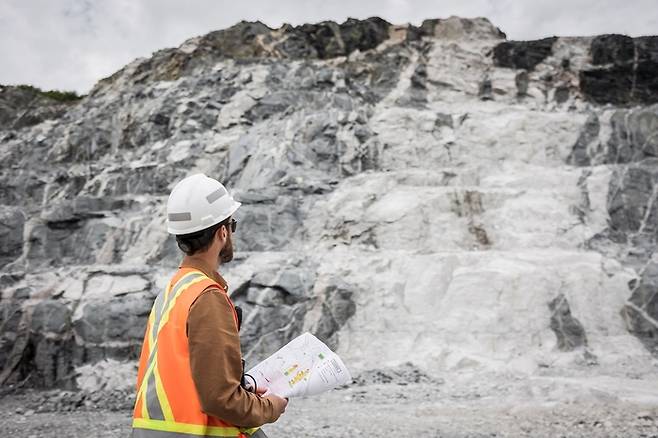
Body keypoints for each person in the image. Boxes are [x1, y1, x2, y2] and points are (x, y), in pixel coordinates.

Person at [131, 173, 288, 438]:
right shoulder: (207, 297)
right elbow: (220, 399)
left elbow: (187, 378)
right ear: (223, 232)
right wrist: (269, 407)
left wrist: (243, 390)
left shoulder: (172, 292)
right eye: (232, 225)